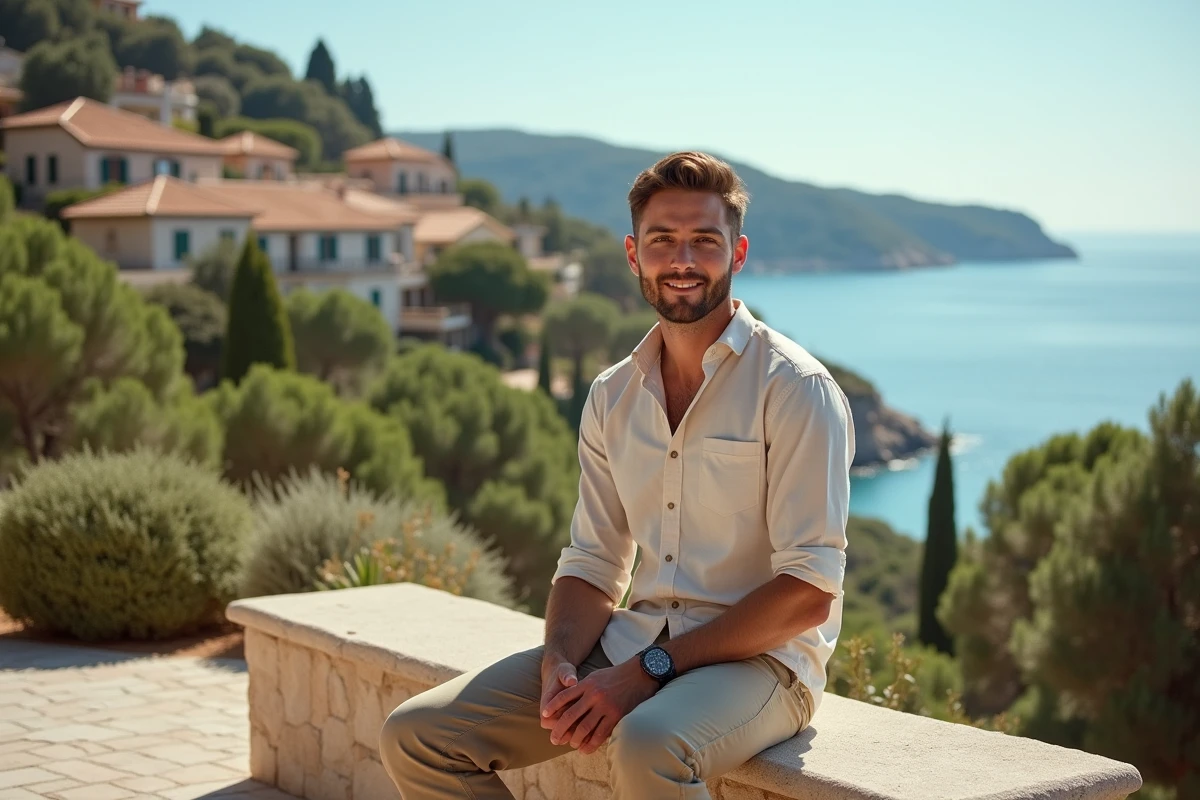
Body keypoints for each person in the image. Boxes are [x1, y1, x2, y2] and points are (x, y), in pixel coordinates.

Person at [380, 151, 855, 799]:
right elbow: (593, 562)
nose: (682, 259)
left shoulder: (795, 388)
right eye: (663, 240)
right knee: (419, 735)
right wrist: (559, 663)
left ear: (737, 253)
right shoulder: (612, 395)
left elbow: (809, 590)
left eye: (704, 241)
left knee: (649, 743)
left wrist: (646, 673)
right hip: (633, 645)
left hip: (764, 663)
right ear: (633, 255)